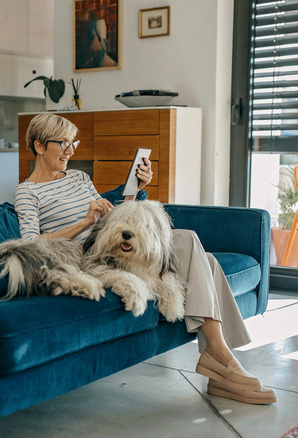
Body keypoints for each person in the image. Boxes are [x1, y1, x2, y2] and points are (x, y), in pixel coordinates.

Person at [14, 113, 277, 405]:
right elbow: (30, 244)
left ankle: (219, 365)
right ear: (39, 146)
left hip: (109, 240)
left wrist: (134, 190)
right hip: (86, 253)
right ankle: (220, 358)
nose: (70, 151)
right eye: (62, 143)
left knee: (201, 254)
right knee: (193, 246)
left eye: (72, 143)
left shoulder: (79, 177)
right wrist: (85, 222)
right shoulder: (28, 192)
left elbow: (116, 224)